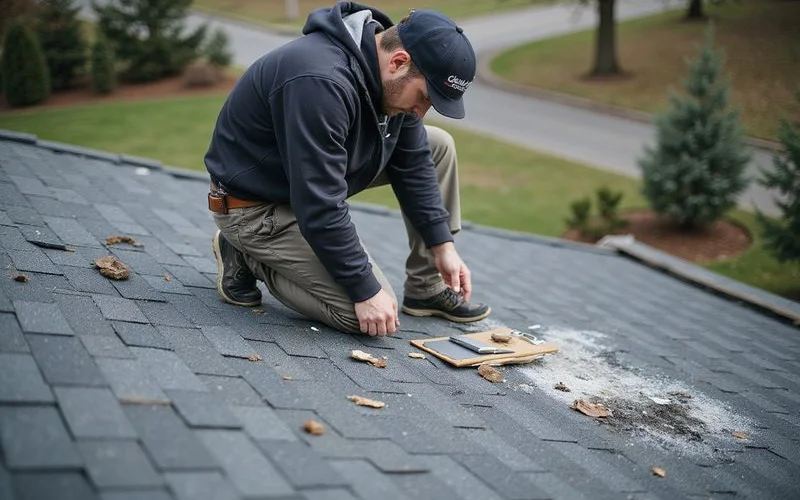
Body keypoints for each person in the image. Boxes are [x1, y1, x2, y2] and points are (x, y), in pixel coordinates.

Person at [205, 1, 491, 336]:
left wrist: (443, 246)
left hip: (301, 185)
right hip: (256, 209)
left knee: (437, 144)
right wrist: (364, 289)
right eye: (426, 98)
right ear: (399, 62)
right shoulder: (319, 80)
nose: (421, 112)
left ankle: (426, 287)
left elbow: (414, 162)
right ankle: (246, 254)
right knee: (367, 315)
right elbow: (321, 204)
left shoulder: (386, 76)